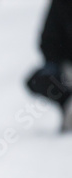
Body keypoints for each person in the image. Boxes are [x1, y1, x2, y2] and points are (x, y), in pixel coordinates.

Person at [26, 0, 72, 132]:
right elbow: (47, 41)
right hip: (66, 67)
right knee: (38, 79)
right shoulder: (60, 4)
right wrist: (60, 64)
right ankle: (67, 104)